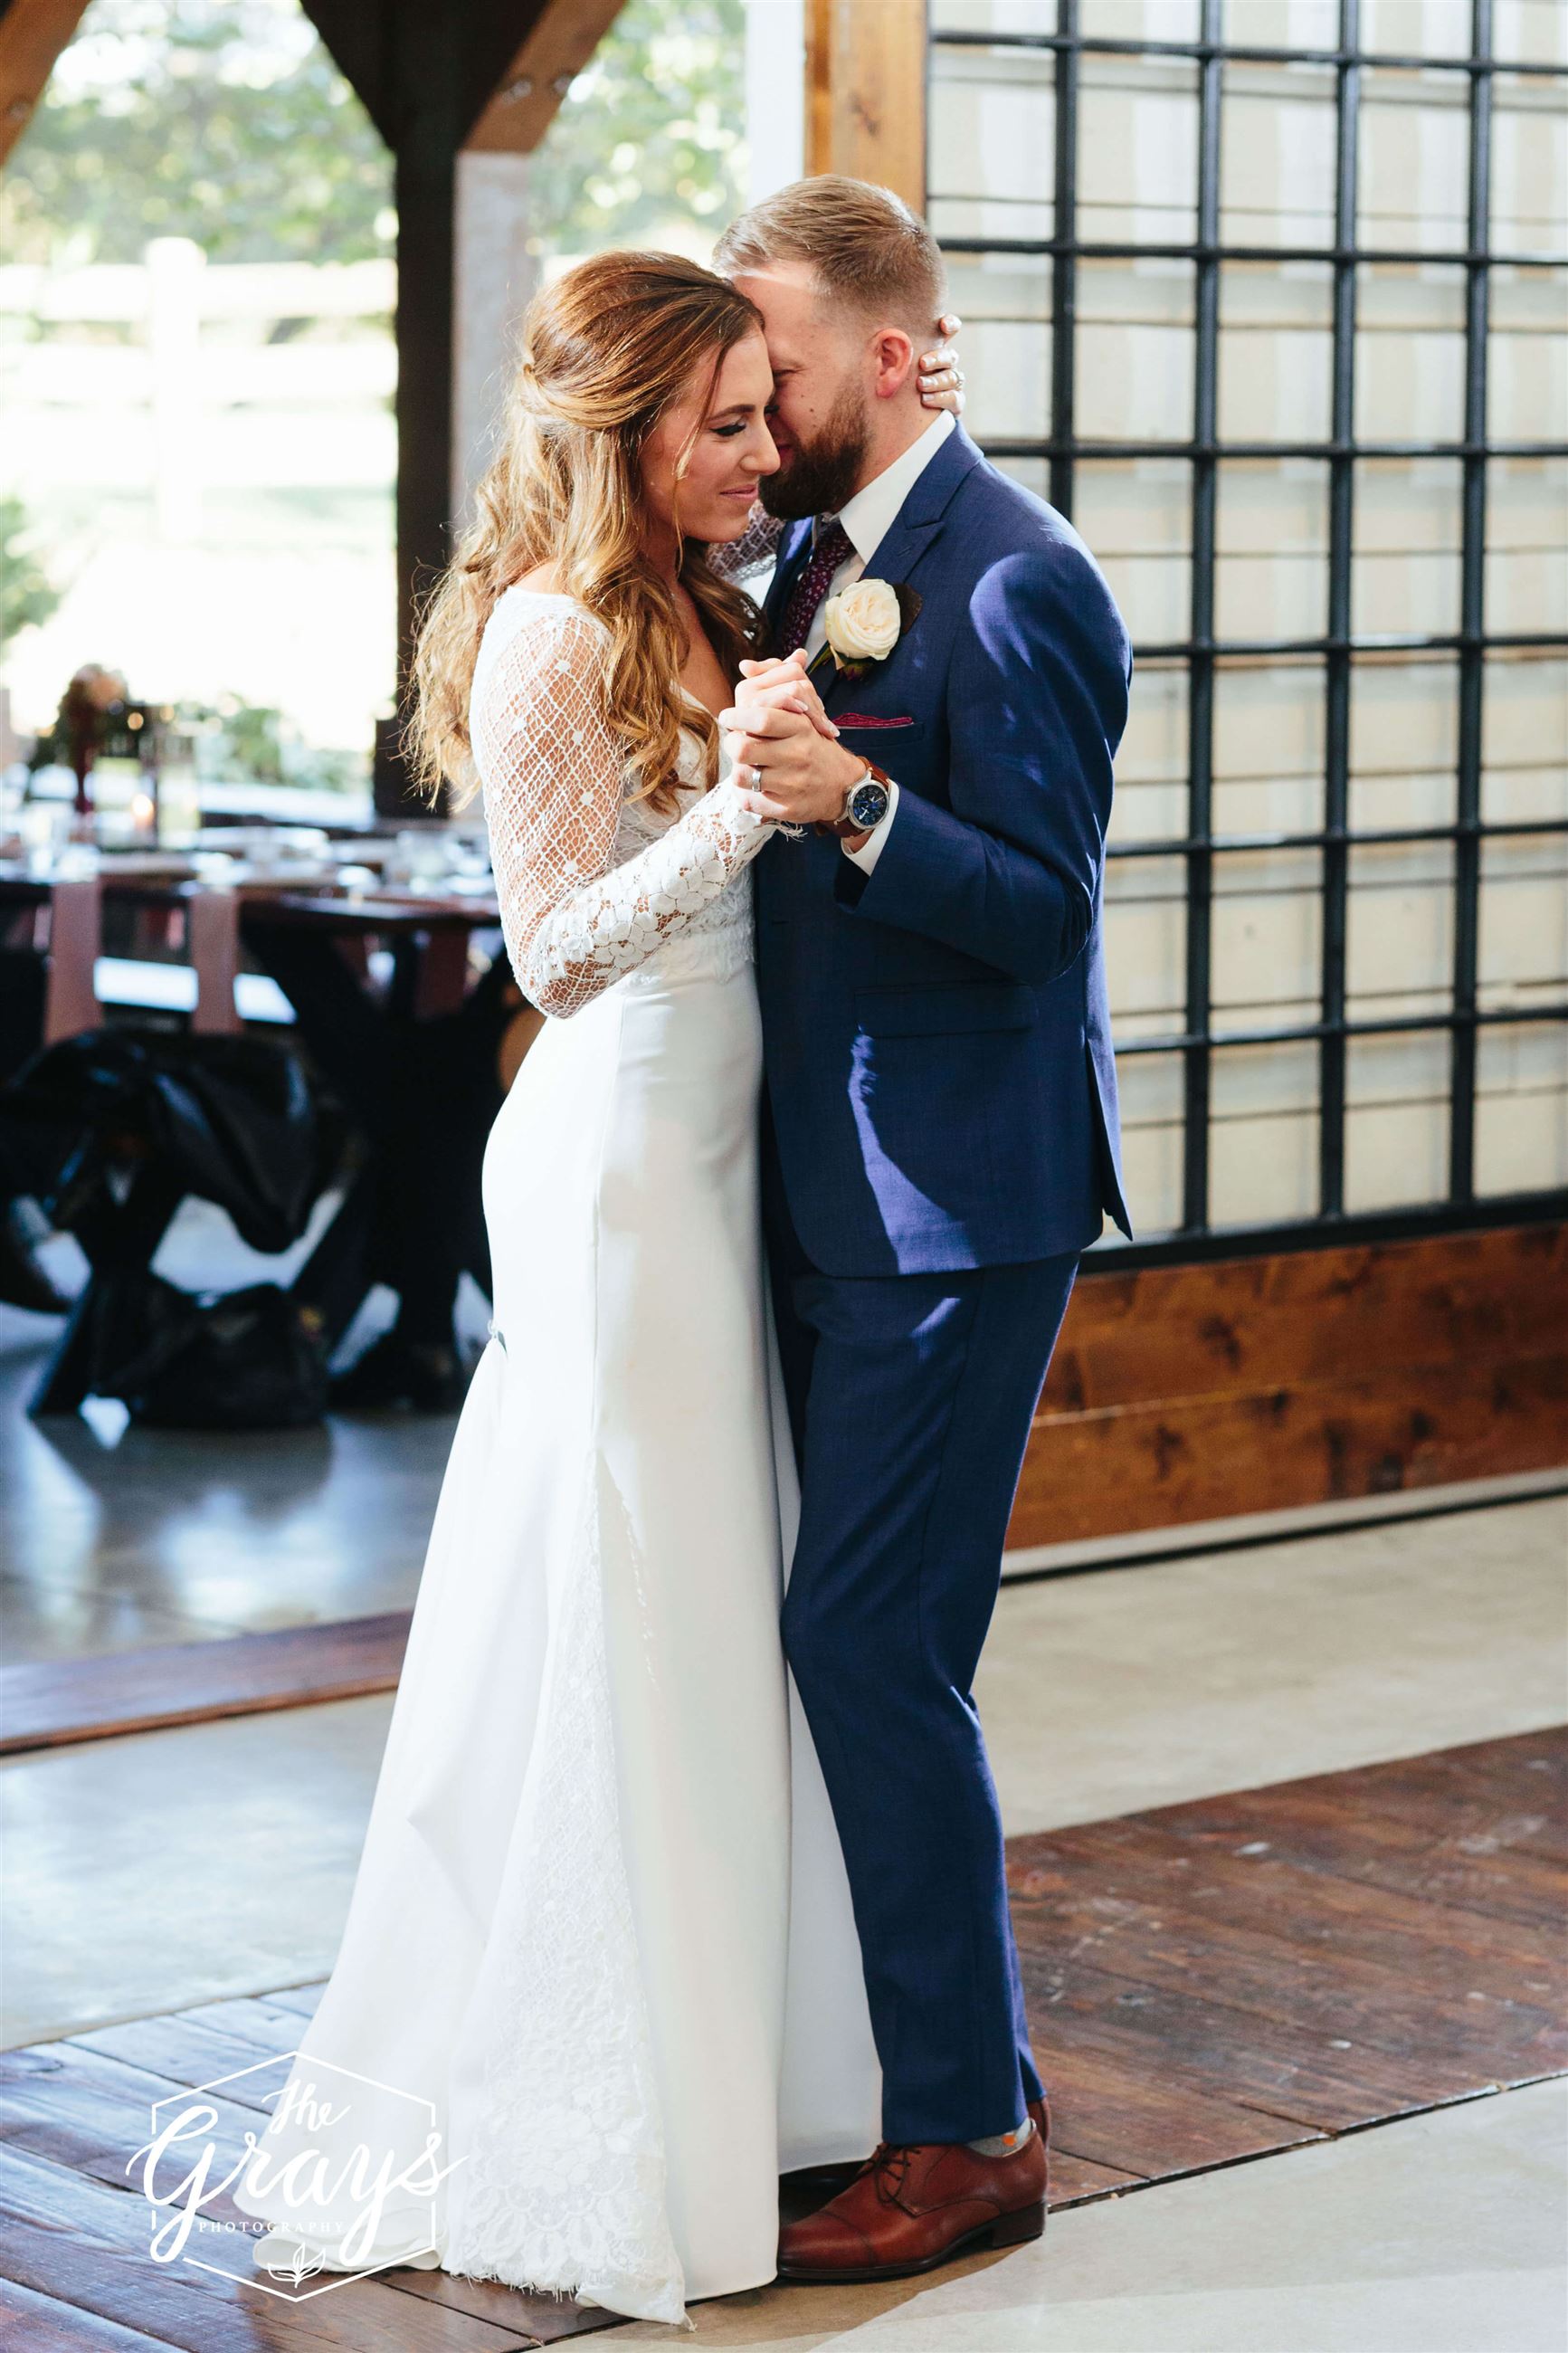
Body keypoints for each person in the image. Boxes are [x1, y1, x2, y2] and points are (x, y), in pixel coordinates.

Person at [230, 248, 964, 2329]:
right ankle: (586, 2102)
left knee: (726, 1588)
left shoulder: (706, 595)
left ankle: (753, 2068)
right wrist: (745, 807)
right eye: (722, 422)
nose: (760, 453)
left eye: (762, 411)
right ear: (620, 434)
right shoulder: (556, 633)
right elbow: (551, 955)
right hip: (624, 1151)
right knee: (625, 1598)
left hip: (722, 1148)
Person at [703, 176, 1135, 2282]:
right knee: (884, 1654)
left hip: (957, 1200)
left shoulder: (1016, 577)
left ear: (888, 357)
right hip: (814, 1183)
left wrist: (856, 807)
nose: (746, 405)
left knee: (865, 1642)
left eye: (769, 367)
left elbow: (1049, 908)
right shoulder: (799, 554)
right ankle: (939, 2079)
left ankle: (966, 2131)